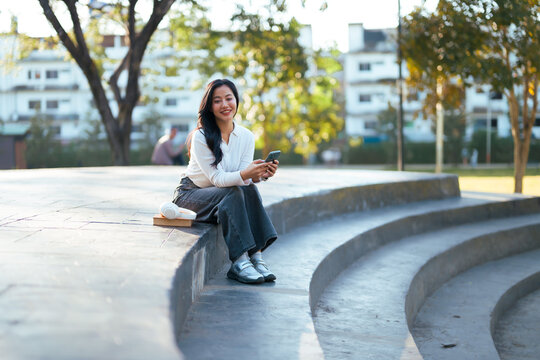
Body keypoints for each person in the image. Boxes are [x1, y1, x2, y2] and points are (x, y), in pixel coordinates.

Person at [172, 79, 279, 284]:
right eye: (217, 101)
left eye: (229, 98)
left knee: (249, 190)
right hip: (190, 196)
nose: (225, 105)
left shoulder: (246, 136)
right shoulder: (201, 137)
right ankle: (239, 262)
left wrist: (260, 175)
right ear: (209, 107)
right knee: (235, 192)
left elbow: (241, 178)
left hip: (222, 197)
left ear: (236, 101)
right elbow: (217, 179)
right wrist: (247, 174)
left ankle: (256, 257)